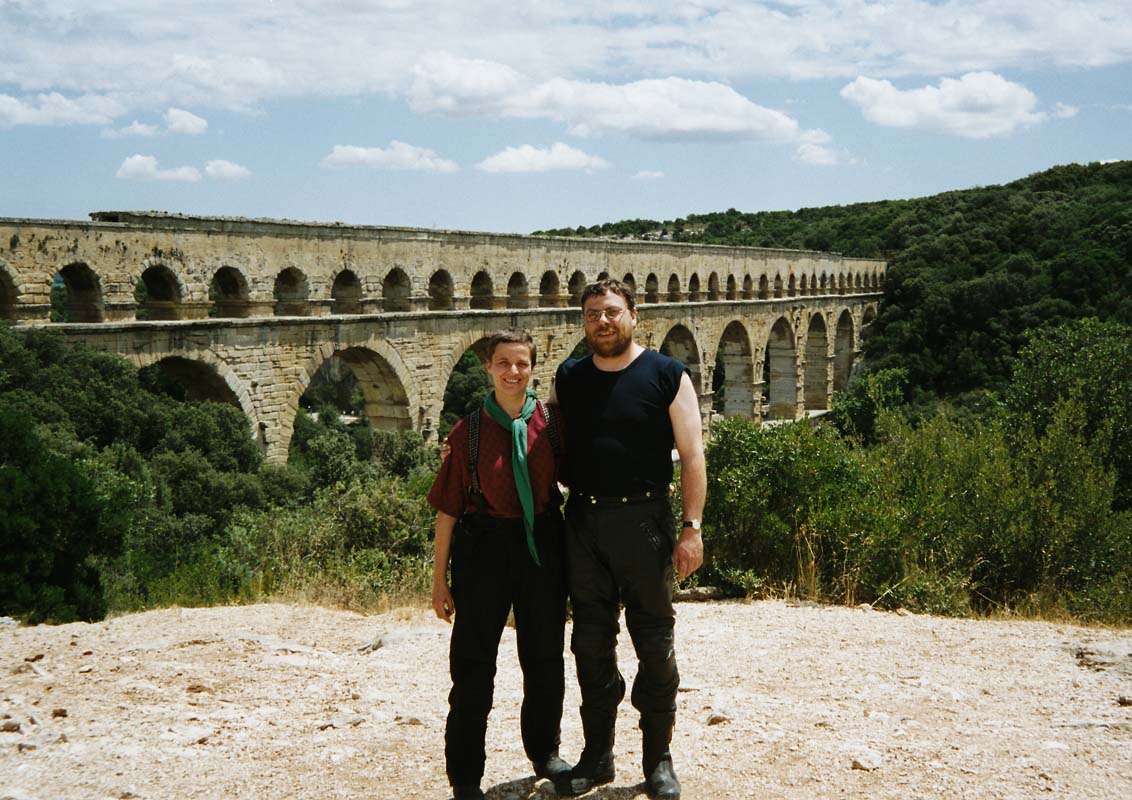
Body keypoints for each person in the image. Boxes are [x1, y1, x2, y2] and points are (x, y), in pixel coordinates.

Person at [549, 279, 706, 800]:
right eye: (593, 314)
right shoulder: (568, 376)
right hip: (585, 522)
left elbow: (692, 456)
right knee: (590, 644)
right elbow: (543, 444)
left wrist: (692, 529)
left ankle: (658, 759)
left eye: (613, 312)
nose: (603, 321)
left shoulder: (667, 375)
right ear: (584, 321)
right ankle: (597, 758)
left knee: (655, 645)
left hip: (645, 521)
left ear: (634, 316)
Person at [427, 328, 572, 800]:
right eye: (504, 363)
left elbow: (583, 477)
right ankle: (466, 776)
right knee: (472, 665)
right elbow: (447, 508)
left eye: (522, 363)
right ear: (488, 368)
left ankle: (545, 752)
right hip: (483, 547)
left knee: (545, 656)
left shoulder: (550, 424)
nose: (514, 372)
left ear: (533, 367)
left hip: (542, 545)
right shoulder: (466, 431)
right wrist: (439, 581)